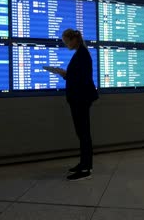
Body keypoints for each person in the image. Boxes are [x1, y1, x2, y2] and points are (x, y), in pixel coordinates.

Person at [49, 29, 98, 181]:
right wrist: (66, 74)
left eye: (66, 42)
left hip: (80, 99)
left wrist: (64, 74)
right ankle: (84, 163)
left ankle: (86, 168)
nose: (66, 45)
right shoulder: (81, 53)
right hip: (80, 99)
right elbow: (78, 77)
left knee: (83, 133)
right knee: (82, 133)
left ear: (73, 40)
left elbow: (81, 79)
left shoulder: (82, 55)